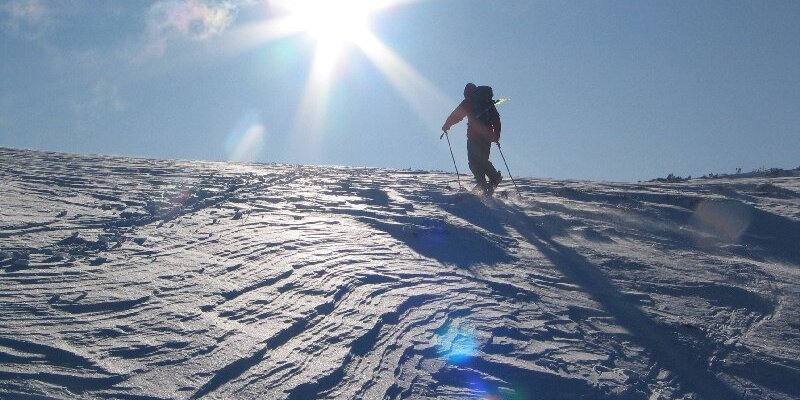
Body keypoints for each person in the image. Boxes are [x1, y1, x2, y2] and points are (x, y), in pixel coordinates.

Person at [441, 83, 502, 194]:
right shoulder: (487, 102)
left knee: (473, 161)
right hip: (487, 137)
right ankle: (493, 178)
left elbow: (457, 115)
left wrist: (447, 125)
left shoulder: (469, 102)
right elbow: (496, 119)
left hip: (474, 136)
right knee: (482, 159)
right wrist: (496, 135)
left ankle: (482, 182)